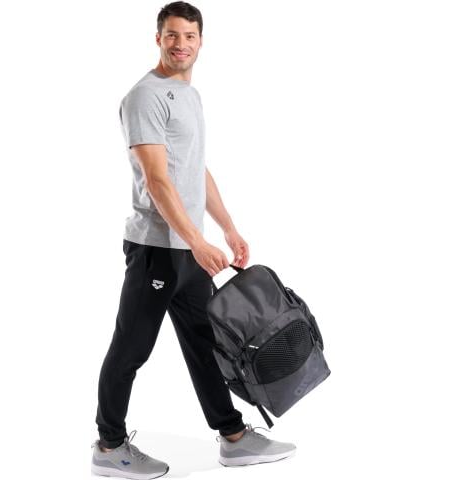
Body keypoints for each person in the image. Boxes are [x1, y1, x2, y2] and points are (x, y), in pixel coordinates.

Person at [91, 2, 296, 478]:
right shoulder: (145, 96)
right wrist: (197, 243)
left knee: (208, 344)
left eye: (189, 35)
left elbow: (194, 169)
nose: (180, 43)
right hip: (157, 251)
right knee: (132, 348)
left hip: (187, 249)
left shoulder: (190, 95)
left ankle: (233, 436)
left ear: (201, 41)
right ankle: (109, 444)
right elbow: (157, 181)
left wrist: (227, 227)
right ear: (158, 39)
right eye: (172, 35)